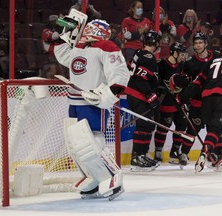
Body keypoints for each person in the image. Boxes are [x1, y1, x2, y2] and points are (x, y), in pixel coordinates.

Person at [53, 18, 130, 199]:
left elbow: (119, 74)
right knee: (77, 144)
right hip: (75, 102)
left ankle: (113, 176)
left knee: (93, 141)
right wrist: (63, 34)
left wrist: (107, 96)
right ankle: (94, 177)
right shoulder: (79, 47)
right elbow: (63, 54)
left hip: (93, 103)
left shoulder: (107, 46)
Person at [180, 46, 222, 173]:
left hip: (206, 99)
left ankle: (217, 158)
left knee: (216, 128)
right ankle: (205, 152)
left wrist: (184, 97)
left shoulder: (211, 62)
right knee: (217, 129)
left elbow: (197, 82)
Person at [169, 32, 217, 168]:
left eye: (201, 42)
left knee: (213, 129)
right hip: (197, 102)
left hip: (213, 101)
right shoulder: (190, 63)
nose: (198, 45)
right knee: (192, 129)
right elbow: (184, 82)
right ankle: (184, 153)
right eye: (196, 43)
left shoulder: (217, 57)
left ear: (206, 44)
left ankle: (211, 154)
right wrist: (182, 97)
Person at [125, 30, 161, 172]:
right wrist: (151, 96)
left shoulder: (138, 53)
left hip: (136, 94)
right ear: (156, 44)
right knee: (143, 126)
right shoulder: (148, 56)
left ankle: (142, 155)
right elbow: (141, 80)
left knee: (148, 126)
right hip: (139, 95)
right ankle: (136, 158)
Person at [153, 42, 190, 164]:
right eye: (181, 54)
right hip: (166, 101)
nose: (183, 57)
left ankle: (175, 151)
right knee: (164, 126)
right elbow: (155, 82)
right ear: (174, 53)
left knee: (182, 125)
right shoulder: (161, 65)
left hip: (179, 102)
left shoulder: (183, 66)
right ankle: (158, 151)